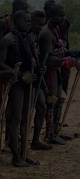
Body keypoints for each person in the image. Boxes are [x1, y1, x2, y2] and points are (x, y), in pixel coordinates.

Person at [38, 3, 80, 145]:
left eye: (63, 15)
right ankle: (49, 135)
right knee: (52, 101)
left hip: (56, 71)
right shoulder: (46, 34)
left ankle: (55, 131)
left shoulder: (56, 29)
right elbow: (47, 59)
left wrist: (73, 54)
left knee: (59, 99)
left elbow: (61, 49)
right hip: (49, 73)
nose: (62, 18)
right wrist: (67, 60)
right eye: (59, 15)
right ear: (51, 16)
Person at [0, 10, 35, 167]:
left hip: (29, 81)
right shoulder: (8, 39)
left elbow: (33, 58)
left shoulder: (28, 38)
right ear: (16, 21)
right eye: (25, 20)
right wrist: (14, 72)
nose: (28, 23)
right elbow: (0, 62)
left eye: (29, 20)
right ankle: (16, 156)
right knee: (15, 119)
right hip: (15, 84)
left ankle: (24, 153)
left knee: (26, 119)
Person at [29, 10, 53, 150]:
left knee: (42, 106)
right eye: (37, 24)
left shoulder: (38, 37)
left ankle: (35, 140)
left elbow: (39, 59)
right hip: (26, 80)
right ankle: (12, 141)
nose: (40, 27)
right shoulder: (27, 37)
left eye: (42, 24)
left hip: (37, 78)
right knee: (24, 113)